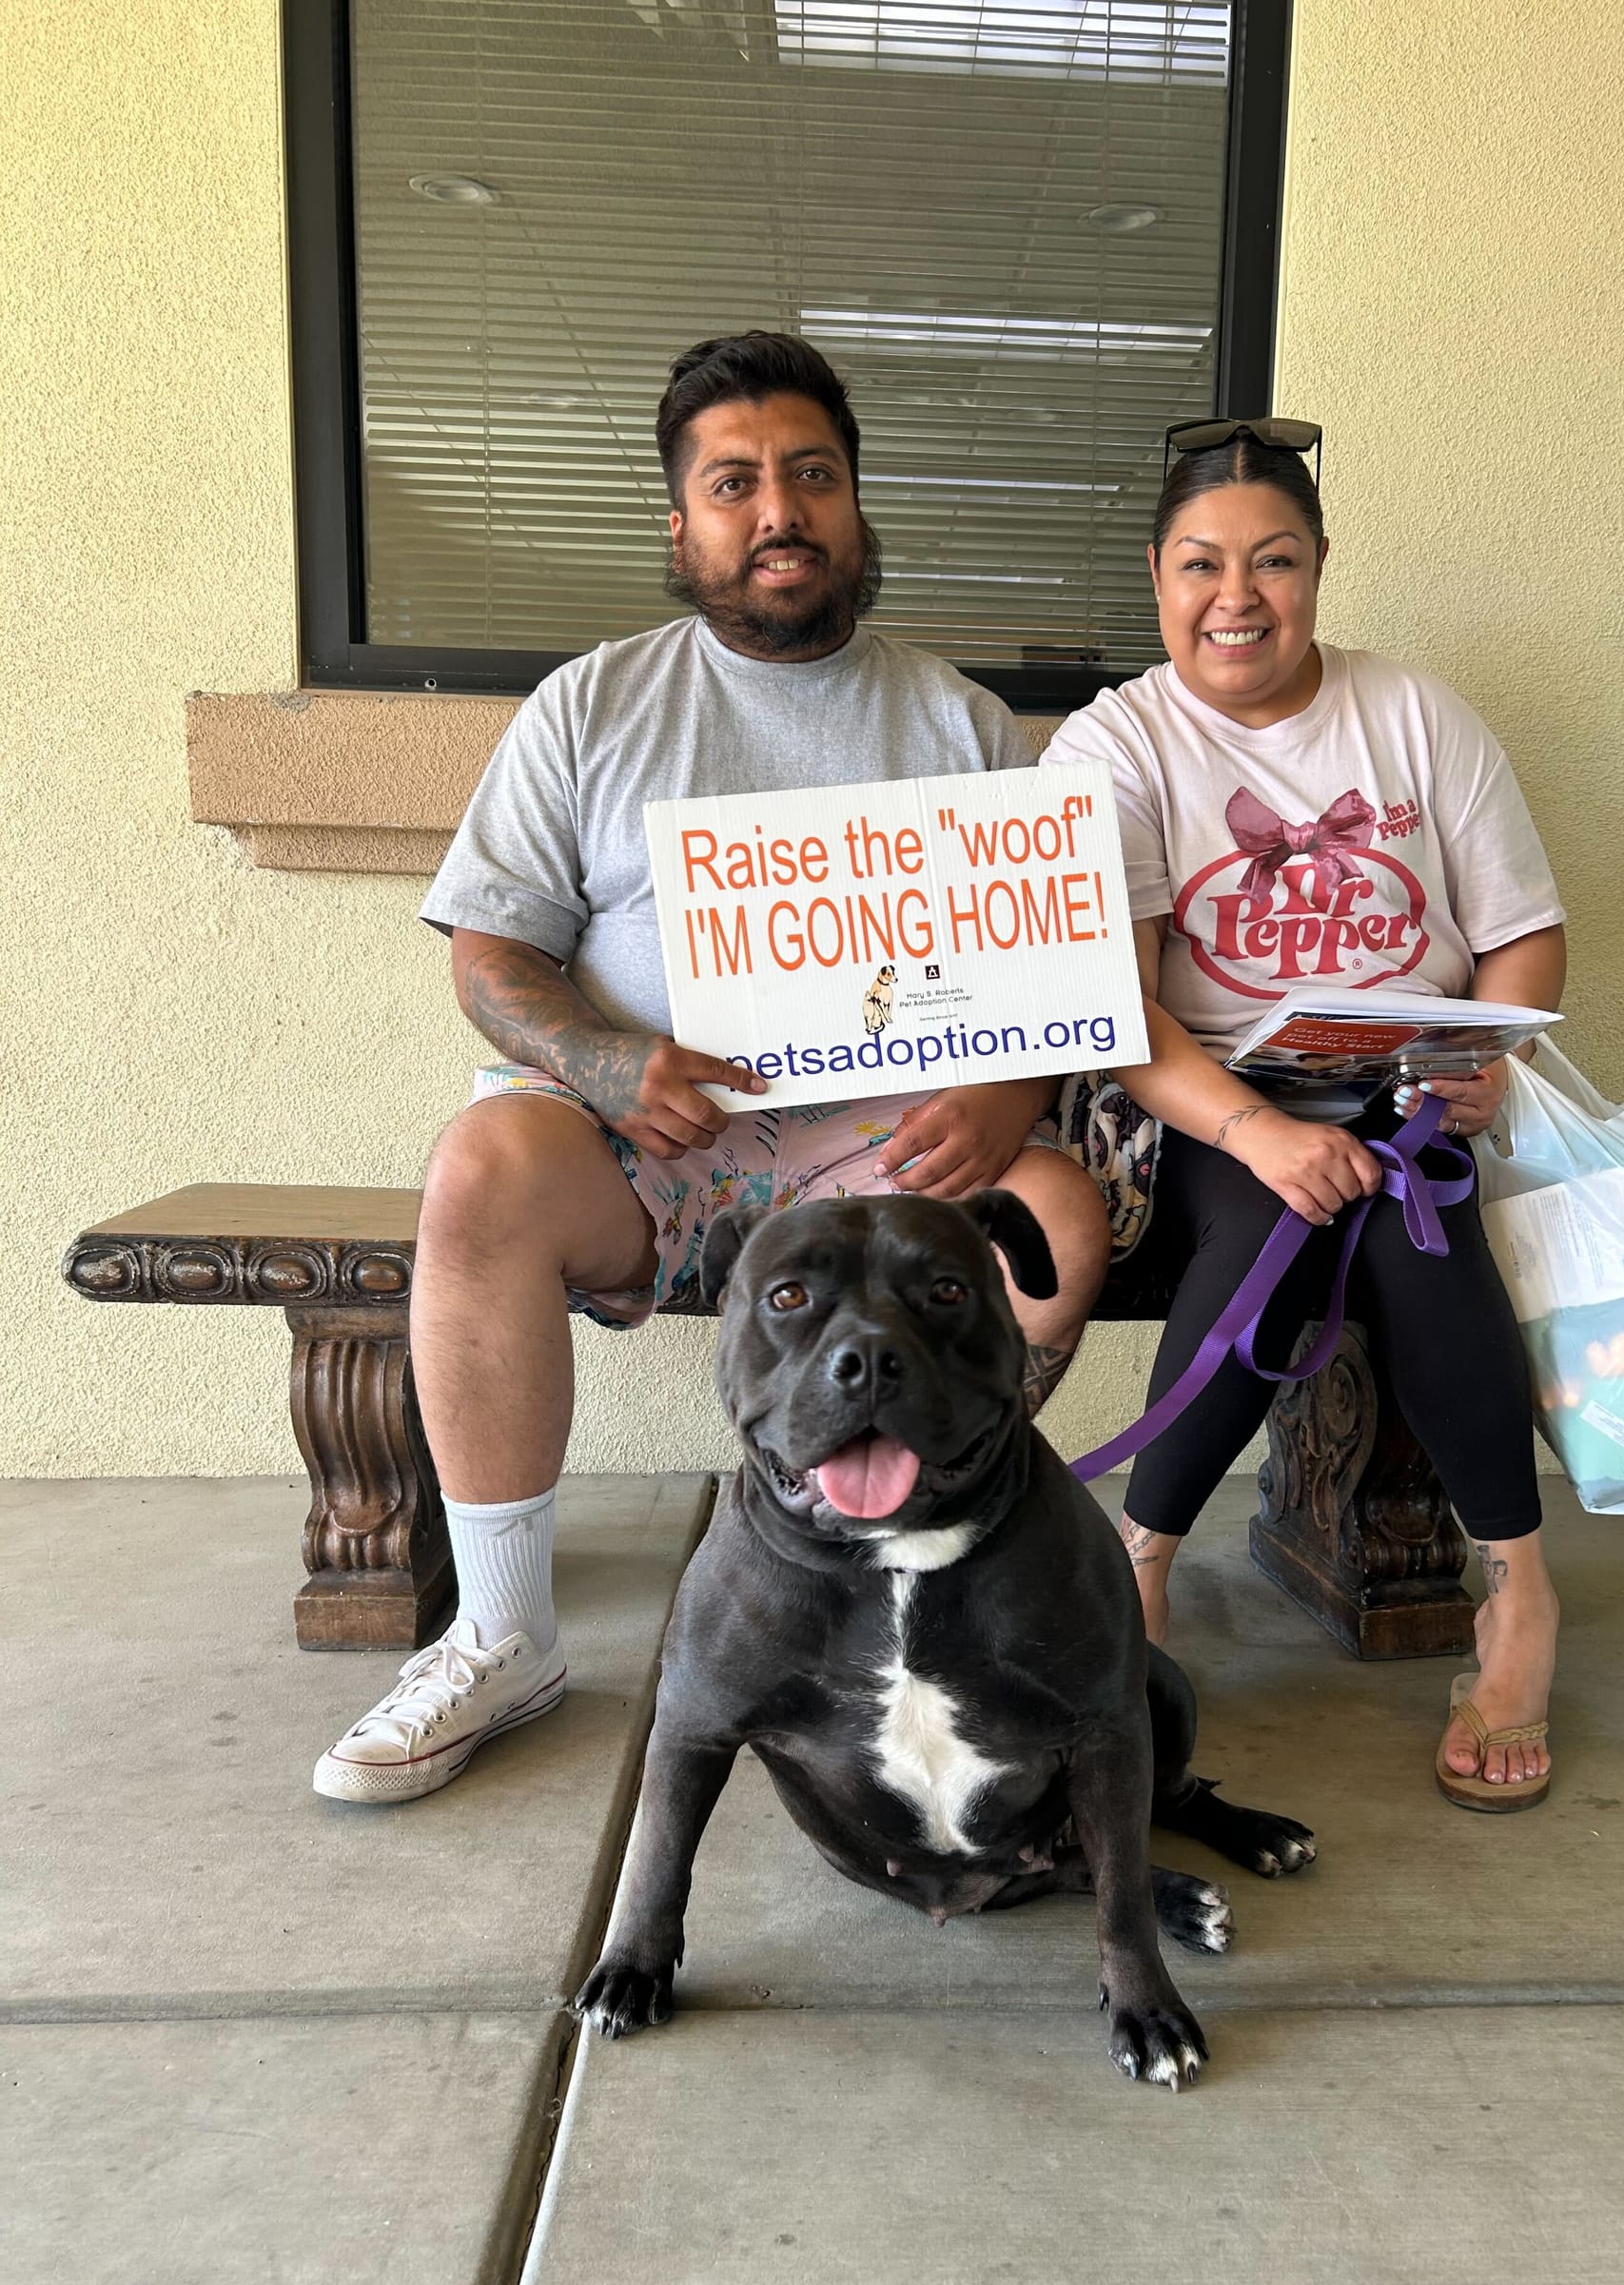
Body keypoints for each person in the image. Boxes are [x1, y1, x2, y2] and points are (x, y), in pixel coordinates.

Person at [313, 331, 1111, 1806]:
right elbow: (490, 957)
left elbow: (1057, 974)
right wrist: (605, 1061)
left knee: (1055, 1216)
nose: (779, 511)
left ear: (857, 506)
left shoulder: (963, 723)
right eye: (734, 483)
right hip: (651, 1145)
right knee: (482, 1165)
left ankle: (908, 1558)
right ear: (680, 526)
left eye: (813, 476)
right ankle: (502, 1632)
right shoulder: (592, 706)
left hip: (881, 1152)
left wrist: (1010, 1095)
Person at [1044, 423, 1567, 1812]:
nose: (1238, 597)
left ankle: (1519, 1587)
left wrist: (1490, 1055)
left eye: (1273, 561)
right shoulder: (1116, 742)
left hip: (1410, 1083)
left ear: (1319, 569)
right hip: (1203, 1098)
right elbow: (1118, 1007)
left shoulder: (1417, 715)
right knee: (1285, 1211)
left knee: (1413, 1216)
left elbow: (1521, 935)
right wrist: (1256, 1132)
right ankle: (1144, 1564)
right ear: (1156, 576)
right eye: (1201, 564)